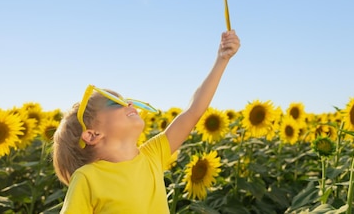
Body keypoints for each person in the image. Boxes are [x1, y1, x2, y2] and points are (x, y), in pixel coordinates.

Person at [52, 29, 240, 213]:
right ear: (93, 135)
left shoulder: (152, 155)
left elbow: (193, 112)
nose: (129, 103)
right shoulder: (87, 179)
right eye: (115, 103)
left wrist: (222, 59)